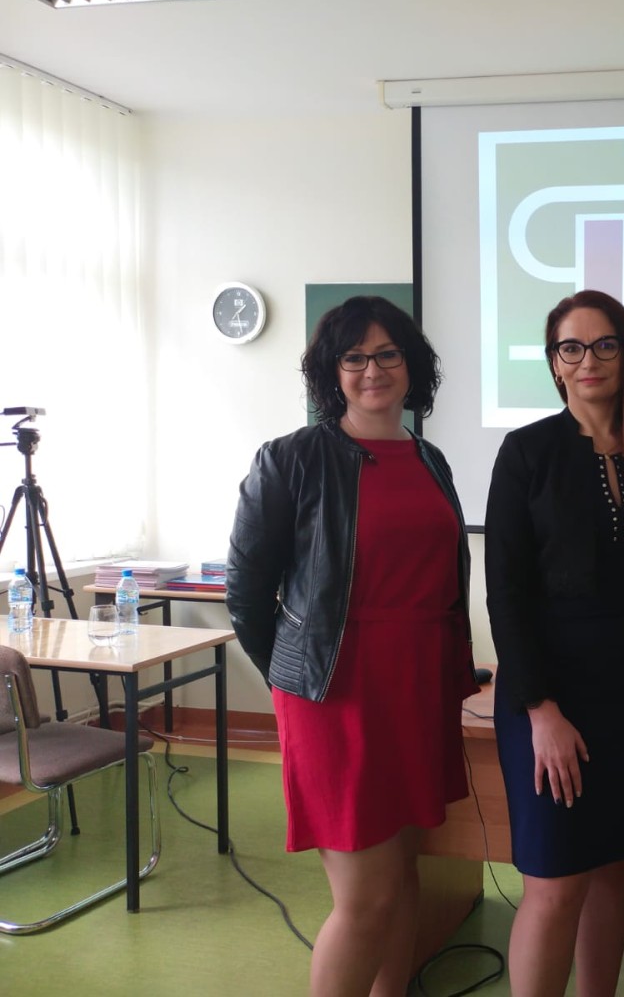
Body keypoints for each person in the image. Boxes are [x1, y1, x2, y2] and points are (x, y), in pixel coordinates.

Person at [225, 296, 477, 997]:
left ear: (411, 364)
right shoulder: (291, 459)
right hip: (335, 692)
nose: (373, 370)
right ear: (331, 372)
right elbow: (247, 593)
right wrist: (295, 679)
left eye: (388, 354)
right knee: (366, 898)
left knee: (403, 878)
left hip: (417, 686)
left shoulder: (430, 459)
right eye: (354, 357)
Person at [484, 289, 624, 997]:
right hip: (552, 697)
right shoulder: (526, 452)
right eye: (571, 347)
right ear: (554, 363)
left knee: (612, 868)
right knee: (555, 881)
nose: (588, 360)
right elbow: (506, 593)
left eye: (604, 344)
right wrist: (540, 710)